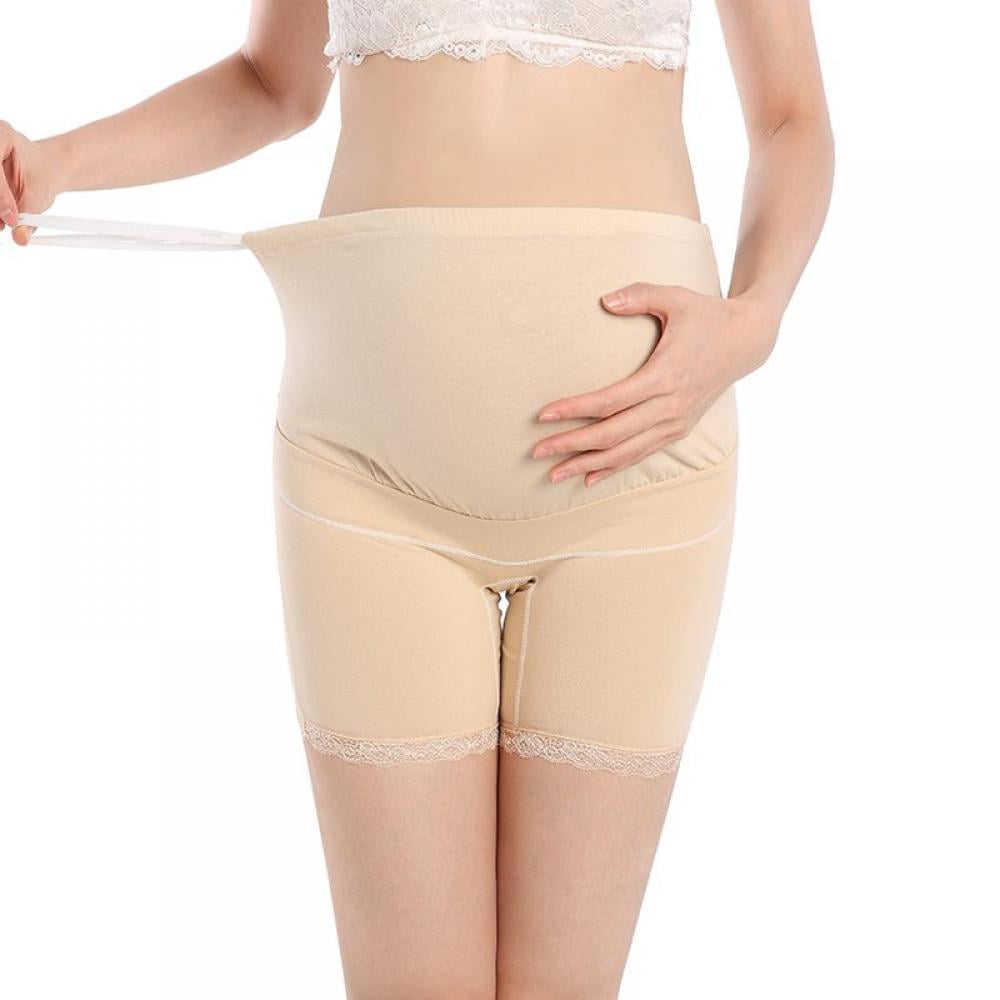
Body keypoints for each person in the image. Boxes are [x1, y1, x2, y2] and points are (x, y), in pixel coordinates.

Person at [0, 1, 834, 996]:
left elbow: (789, 116)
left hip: (638, 480)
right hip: (368, 475)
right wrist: (54, 162)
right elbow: (272, 84)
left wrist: (756, 318)